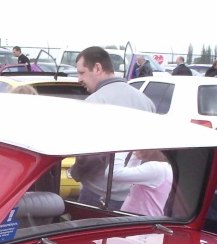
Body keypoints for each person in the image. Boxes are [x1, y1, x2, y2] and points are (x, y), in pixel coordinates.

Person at [72, 46, 156, 208]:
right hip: (133, 196)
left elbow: (89, 156)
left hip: (98, 194)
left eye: (82, 73)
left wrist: (76, 173)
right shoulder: (146, 102)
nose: (79, 79)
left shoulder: (94, 103)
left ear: (97, 68)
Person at [110, 150, 174, 216]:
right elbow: (128, 176)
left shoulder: (156, 168)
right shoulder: (163, 167)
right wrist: (135, 156)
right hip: (139, 219)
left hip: (139, 220)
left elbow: (113, 173)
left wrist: (121, 149)